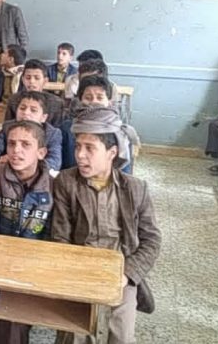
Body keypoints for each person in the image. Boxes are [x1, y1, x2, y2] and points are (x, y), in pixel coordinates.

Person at [52, 106, 161, 344]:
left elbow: (152, 240)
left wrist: (127, 274)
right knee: (74, 334)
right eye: (78, 146)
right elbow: (61, 237)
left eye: (90, 148)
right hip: (78, 269)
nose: (80, 155)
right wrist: (75, 273)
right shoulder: (66, 182)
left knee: (120, 334)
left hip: (120, 271)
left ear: (112, 152)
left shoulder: (135, 188)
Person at [0, 120, 53, 344]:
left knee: (12, 317)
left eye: (25, 144)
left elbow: (49, 236)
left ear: (41, 152)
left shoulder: (52, 187)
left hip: (30, 264)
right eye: (11, 144)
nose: (16, 150)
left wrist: (22, 266)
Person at [0, 91, 63, 171]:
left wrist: (25, 164)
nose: (26, 113)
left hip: (37, 174)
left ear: (43, 117)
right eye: (22, 108)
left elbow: (54, 163)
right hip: (7, 170)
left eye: (33, 110)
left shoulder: (52, 134)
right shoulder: (7, 128)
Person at [5, 59, 64, 127]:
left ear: (45, 81)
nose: (32, 81)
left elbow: (57, 130)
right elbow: (7, 126)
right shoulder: (14, 100)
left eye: (37, 78)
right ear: (23, 79)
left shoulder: (56, 103)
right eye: (28, 78)